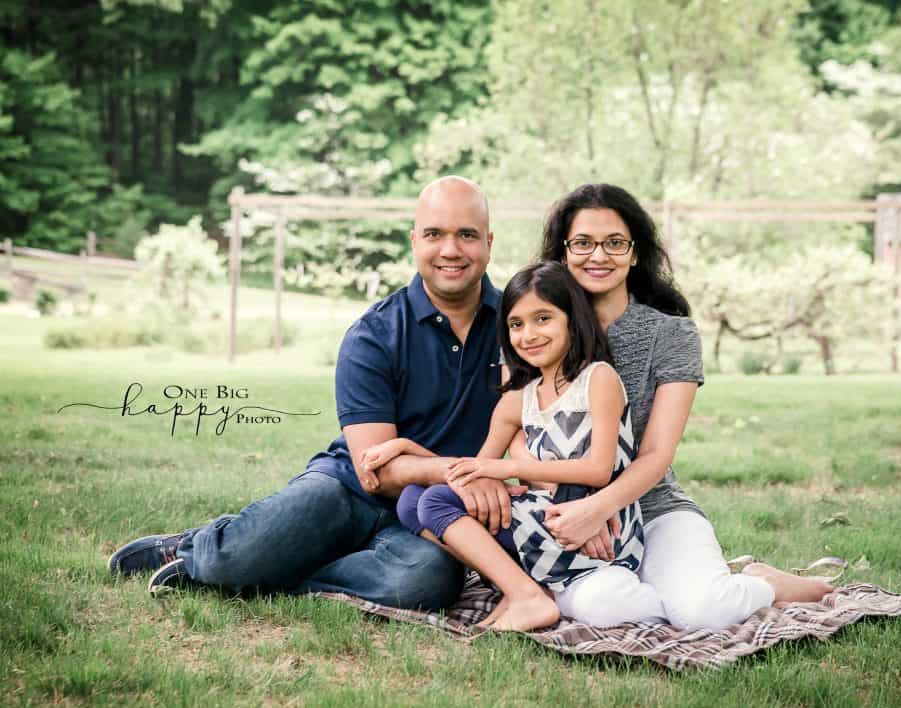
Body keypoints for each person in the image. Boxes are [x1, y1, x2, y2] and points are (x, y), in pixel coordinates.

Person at [107, 176, 521, 609]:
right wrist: (467, 473)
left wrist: (464, 482)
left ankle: (287, 573)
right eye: (434, 234)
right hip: (347, 490)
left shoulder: (519, 330)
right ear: (414, 241)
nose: (450, 250)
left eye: (466, 235)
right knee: (234, 558)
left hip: (432, 512)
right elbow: (375, 470)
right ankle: (194, 550)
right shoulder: (374, 334)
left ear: (488, 243)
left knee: (425, 582)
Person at [522, 183, 835, 629]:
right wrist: (572, 509)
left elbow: (656, 454)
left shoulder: (672, 335)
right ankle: (681, 588)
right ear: (563, 252)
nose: (599, 256)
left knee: (705, 613)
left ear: (635, 253)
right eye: (583, 243)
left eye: (615, 243)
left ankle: (763, 583)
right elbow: (519, 431)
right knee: (602, 610)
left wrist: (597, 509)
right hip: (560, 515)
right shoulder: (535, 329)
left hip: (654, 509)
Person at [368, 262, 650, 631]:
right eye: (516, 324)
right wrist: (407, 446)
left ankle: (525, 594)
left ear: (573, 319)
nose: (528, 334)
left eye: (543, 319)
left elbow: (599, 470)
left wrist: (511, 467)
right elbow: (473, 472)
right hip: (547, 517)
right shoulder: (519, 398)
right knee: (412, 499)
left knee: (436, 502)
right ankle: (524, 588)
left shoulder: (597, 378)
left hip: (597, 526)